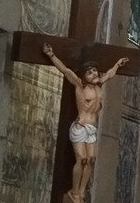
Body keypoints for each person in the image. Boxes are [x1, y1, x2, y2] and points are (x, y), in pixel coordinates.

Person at [42, 43, 129, 203]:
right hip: (80, 127)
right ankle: (74, 192)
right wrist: (51, 55)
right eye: (89, 73)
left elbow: (110, 74)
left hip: (91, 129)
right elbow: (65, 70)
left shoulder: (99, 84)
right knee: (81, 159)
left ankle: (81, 192)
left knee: (91, 160)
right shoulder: (79, 85)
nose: (93, 74)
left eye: (94, 70)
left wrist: (117, 64)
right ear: (83, 76)